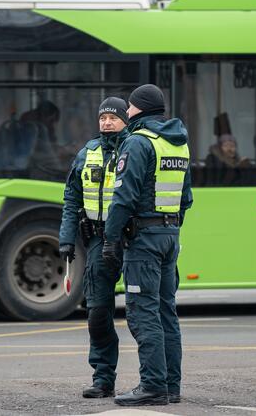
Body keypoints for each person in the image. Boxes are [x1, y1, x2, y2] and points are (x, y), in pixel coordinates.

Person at [103, 84, 193, 406]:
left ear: (139, 109)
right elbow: (186, 199)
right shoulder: (178, 143)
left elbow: (123, 197)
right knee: (167, 311)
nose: (126, 112)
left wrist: (111, 239)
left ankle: (152, 386)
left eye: (129, 107)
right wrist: (169, 227)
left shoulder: (139, 143)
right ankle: (171, 386)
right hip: (170, 236)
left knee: (143, 313)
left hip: (143, 240)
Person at [58, 97, 130, 399]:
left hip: (132, 239)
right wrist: (66, 239)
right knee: (97, 313)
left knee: (142, 316)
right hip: (98, 240)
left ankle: (157, 382)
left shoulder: (134, 149)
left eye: (112, 118)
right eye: (102, 118)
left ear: (125, 120)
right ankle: (103, 379)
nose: (106, 123)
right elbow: (72, 199)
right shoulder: (87, 153)